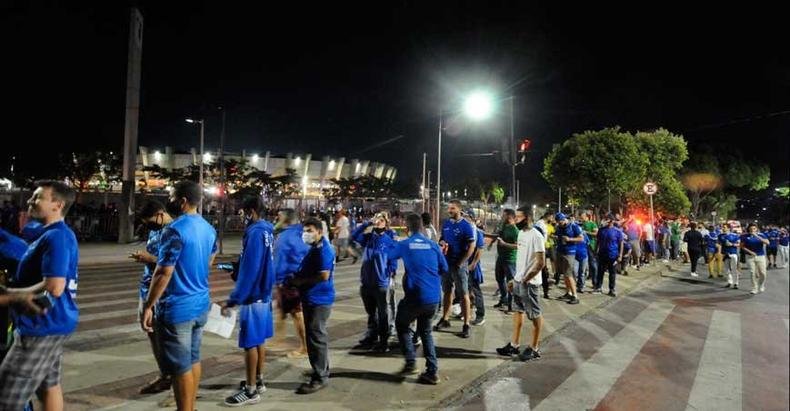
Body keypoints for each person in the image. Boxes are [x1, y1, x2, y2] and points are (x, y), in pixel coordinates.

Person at [0, 180, 79, 411]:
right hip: (54, 324)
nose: (30, 201)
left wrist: (11, 294)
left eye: (37, 197)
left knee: (5, 399)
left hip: (41, 326)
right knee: (48, 386)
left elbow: (54, 286)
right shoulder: (53, 235)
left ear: (57, 204)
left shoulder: (57, 237)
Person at [140, 181, 218, 411]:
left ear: (182, 201)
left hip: (178, 308)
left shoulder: (174, 230)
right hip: (200, 303)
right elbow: (209, 261)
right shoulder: (208, 228)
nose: (169, 200)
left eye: (171, 196)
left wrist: (148, 305)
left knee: (179, 367)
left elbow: (163, 272)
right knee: (193, 359)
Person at [221, 197, 276, 406]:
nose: (241, 216)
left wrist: (235, 298)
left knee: (250, 343)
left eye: (242, 212)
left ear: (251, 211)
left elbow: (251, 269)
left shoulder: (254, 233)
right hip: (264, 293)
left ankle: (251, 391)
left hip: (253, 295)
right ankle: (259, 380)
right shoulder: (267, 231)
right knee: (259, 340)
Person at [388, 213, 447, 384]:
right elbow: (443, 268)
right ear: (421, 227)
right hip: (433, 298)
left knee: (401, 324)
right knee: (426, 331)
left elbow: (388, 255)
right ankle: (432, 371)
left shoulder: (405, 244)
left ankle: (411, 362)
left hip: (416, 297)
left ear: (407, 228)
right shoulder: (433, 245)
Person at [285, 218, 335, 394]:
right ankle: (321, 370)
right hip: (311, 298)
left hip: (319, 299)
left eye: (310, 230)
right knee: (315, 337)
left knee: (316, 338)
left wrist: (300, 281)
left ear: (320, 232)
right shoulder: (314, 249)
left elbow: (323, 275)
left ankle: (320, 377)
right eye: (305, 230)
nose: (306, 233)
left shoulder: (324, 250)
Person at [133, 200, 174, 395]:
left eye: (148, 220)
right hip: (146, 288)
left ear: (160, 214)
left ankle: (177, 378)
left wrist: (151, 259)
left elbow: (173, 264)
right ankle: (165, 375)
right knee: (152, 334)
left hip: (164, 291)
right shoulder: (154, 231)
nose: (147, 225)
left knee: (168, 338)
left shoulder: (174, 231)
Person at [496, 206, 546, 361]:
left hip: (530, 283)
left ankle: (535, 348)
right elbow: (521, 258)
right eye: (515, 216)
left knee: (535, 315)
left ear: (528, 218)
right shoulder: (521, 234)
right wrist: (515, 279)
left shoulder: (536, 236)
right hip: (518, 280)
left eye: (519, 217)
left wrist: (525, 279)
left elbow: (540, 263)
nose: (515, 220)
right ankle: (514, 345)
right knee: (518, 311)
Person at [351, 212, 398, 352]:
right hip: (366, 282)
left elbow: (393, 262)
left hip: (380, 283)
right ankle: (371, 336)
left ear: (386, 223)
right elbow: (353, 237)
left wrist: (387, 274)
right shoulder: (368, 238)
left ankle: (383, 342)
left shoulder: (389, 241)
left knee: (383, 313)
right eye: (377, 219)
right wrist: (367, 223)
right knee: (371, 313)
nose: (378, 221)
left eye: (381, 220)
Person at [434, 200, 476, 339]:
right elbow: (442, 239)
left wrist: (462, 262)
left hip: (459, 265)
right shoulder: (446, 224)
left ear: (459, 209)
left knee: (463, 294)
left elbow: (472, 247)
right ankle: (445, 319)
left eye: (452, 208)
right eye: (448, 208)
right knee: (447, 291)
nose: (449, 210)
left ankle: (466, 324)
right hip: (446, 264)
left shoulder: (466, 226)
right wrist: (442, 243)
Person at [273, 208, 310, 359]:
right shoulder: (305, 232)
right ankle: (278, 338)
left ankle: (305, 347)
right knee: (282, 309)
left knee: (297, 314)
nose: (276, 220)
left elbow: (280, 261)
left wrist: (278, 280)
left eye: (279, 217)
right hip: (303, 277)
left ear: (285, 219)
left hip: (289, 279)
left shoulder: (284, 237)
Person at [553, 213, 582, 304]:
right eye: (558, 222)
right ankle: (568, 292)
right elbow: (556, 235)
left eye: (560, 222)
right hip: (560, 251)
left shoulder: (574, 226)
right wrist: (555, 237)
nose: (559, 223)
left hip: (570, 253)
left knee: (569, 274)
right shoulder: (558, 227)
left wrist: (570, 239)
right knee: (565, 274)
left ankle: (575, 296)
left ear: (564, 219)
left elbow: (581, 238)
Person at [492, 209, 518, 310]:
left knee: (510, 282)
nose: (502, 217)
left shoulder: (515, 230)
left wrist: (504, 244)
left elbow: (517, 246)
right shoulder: (503, 226)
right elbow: (498, 236)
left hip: (510, 260)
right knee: (499, 279)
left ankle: (512, 305)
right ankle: (504, 299)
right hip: (500, 258)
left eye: (504, 215)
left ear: (510, 217)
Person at [465, 211, 486, 326]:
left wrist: (473, 264)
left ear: (472, 218)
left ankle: (480, 315)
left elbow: (480, 249)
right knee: (466, 291)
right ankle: (467, 311)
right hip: (464, 266)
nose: (464, 218)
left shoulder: (477, 232)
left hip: (472, 267)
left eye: (467, 217)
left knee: (476, 290)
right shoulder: (466, 231)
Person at [595, 215, 624, 296]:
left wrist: (620, 255)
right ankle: (598, 287)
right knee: (600, 272)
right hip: (602, 254)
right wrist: (595, 251)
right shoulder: (601, 230)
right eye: (605, 219)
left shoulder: (617, 231)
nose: (606, 221)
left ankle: (611, 289)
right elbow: (598, 241)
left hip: (613, 255)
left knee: (612, 273)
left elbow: (621, 243)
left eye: (607, 219)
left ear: (612, 221)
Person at [741, 223, 769, 295]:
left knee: (763, 273)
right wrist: (750, 252)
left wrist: (757, 236)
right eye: (751, 229)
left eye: (754, 229)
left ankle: (761, 284)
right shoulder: (744, 236)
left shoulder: (761, 235)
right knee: (752, 272)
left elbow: (767, 242)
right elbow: (742, 246)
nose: (752, 230)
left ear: (756, 229)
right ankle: (754, 287)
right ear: (748, 229)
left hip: (760, 256)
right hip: (750, 257)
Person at [718, 224, 742, 289]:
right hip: (725, 254)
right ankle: (729, 282)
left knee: (734, 268)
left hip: (733, 253)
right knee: (726, 269)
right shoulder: (720, 236)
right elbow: (719, 244)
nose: (723, 228)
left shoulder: (735, 235)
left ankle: (736, 283)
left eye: (724, 227)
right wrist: (719, 252)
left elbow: (739, 244)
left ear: (728, 228)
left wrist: (732, 244)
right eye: (722, 227)